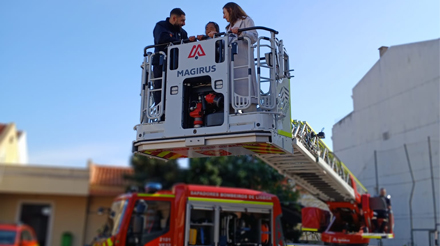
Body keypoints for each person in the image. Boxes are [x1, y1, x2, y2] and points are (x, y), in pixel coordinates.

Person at [152, 8, 196, 118]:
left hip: (178, 67)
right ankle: (161, 115)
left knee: (180, 90)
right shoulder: (161, 26)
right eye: (182, 21)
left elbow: (186, 46)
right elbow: (161, 39)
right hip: (161, 65)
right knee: (160, 89)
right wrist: (177, 41)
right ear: (174, 18)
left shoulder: (182, 32)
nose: (184, 24)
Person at [222, 2, 258, 112]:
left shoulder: (246, 20)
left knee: (248, 98)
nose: (224, 16)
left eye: (224, 13)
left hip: (244, 64)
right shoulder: (228, 28)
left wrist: (241, 33)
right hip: (231, 65)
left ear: (230, 10)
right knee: (231, 98)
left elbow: (254, 37)